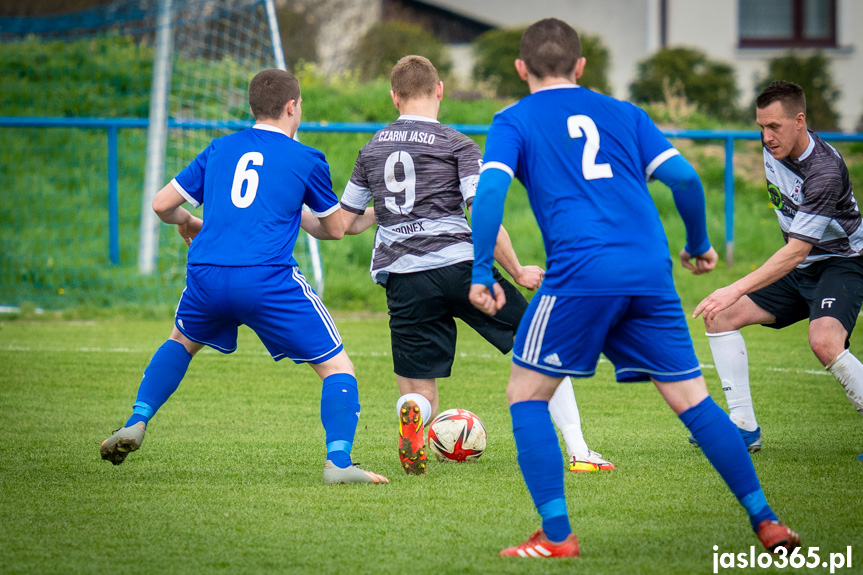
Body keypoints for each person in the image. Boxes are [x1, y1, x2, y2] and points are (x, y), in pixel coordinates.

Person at [469, 19, 799, 558]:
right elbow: (687, 180)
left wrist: (483, 272)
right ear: (580, 67)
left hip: (581, 271)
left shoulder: (514, 119)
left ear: (521, 68)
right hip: (650, 270)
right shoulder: (626, 113)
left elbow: (489, 193)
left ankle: (556, 537)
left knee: (525, 395)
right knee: (693, 401)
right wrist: (697, 245)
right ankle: (767, 521)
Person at [304, 54, 612, 476]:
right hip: (461, 267)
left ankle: (412, 413)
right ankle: (578, 450)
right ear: (440, 91)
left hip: (404, 276)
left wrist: (302, 212)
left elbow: (344, 223)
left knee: (418, 389)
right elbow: (481, 209)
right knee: (541, 346)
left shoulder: (371, 150)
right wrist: (518, 270)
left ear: (394, 97)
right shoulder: (456, 143)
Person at [99, 69, 388, 485]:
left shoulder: (220, 148)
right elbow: (336, 228)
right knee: (337, 366)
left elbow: (162, 205)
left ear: (253, 108)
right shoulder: (305, 158)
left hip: (207, 274)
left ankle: (137, 419)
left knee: (181, 342)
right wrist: (384, 211)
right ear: (293, 107)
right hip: (267, 278)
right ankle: (339, 464)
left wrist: (191, 223)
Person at [692, 80, 863, 456]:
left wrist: (733, 286)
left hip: (841, 263)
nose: (767, 137)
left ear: (799, 121)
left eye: (775, 127)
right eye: (761, 127)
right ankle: (743, 427)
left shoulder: (825, 171)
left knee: (824, 343)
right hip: (801, 265)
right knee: (719, 317)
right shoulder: (774, 148)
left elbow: (797, 250)